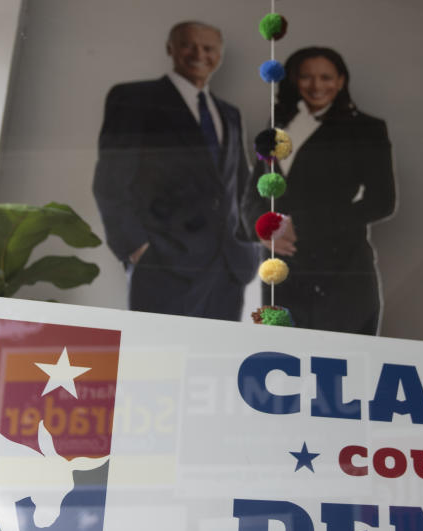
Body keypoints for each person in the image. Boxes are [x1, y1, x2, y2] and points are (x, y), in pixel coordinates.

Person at [93, 21, 256, 320]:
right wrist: (136, 249)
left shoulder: (230, 114)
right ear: (170, 48)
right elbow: (110, 183)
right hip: (164, 264)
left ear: (220, 54)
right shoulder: (133, 99)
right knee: (160, 358)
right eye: (188, 45)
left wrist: (251, 244)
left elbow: (239, 184)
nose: (199, 54)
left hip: (229, 267)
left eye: (208, 48)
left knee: (213, 360)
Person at [242, 47, 396, 335]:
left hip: (341, 270)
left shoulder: (366, 129)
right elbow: (254, 191)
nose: (317, 86)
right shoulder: (276, 125)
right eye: (306, 77)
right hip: (282, 270)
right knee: (280, 366)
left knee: (344, 366)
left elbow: (382, 202)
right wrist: (263, 228)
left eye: (326, 77)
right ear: (294, 81)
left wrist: (296, 224)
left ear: (341, 81)